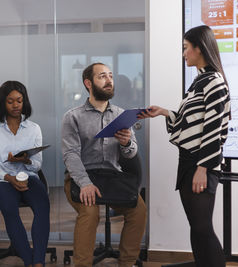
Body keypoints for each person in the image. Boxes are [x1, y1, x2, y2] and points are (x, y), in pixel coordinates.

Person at [138, 25, 231, 267]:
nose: (183, 54)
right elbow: (191, 120)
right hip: (190, 162)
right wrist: (164, 113)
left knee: (202, 228)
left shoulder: (214, 82)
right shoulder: (200, 81)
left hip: (201, 164)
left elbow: (213, 127)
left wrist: (203, 168)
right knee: (197, 227)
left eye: (185, 48)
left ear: (198, 48)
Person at [61, 63, 147, 267]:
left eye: (110, 76)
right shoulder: (72, 116)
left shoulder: (121, 115)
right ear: (88, 83)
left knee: (139, 210)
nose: (109, 80)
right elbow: (70, 155)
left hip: (112, 177)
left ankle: (127, 263)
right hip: (81, 177)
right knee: (90, 213)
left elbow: (132, 152)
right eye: (102, 77)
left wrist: (126, 143)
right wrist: (85, 184)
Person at [0, 80, 50, 267]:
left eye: (19, 101)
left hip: (28, 176)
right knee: (10, 209)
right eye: (10, 101)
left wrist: (25, 160)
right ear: (2, 103)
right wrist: (9, 178)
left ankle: (38, 262)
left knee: (43, 207)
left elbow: (37, 164)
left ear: (24, 101)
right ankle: (30, 262)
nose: (15, 105)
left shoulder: (34, 128)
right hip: (1, 180)